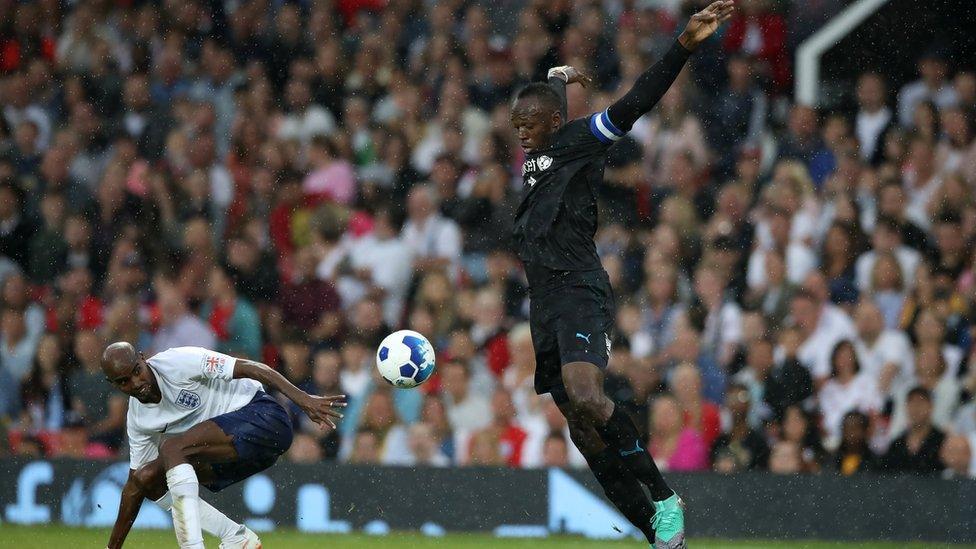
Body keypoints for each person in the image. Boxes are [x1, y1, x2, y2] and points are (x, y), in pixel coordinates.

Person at [508, 3, 734, 546]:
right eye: (517, 124)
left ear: (555, 121)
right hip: (543, 301)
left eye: (529, 124)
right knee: (585, 433)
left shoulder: (580, 139)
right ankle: (659, 535)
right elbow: (549, 101)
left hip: (579, 288)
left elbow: (636, 102)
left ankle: (663, 497)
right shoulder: (539, 148)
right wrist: (555, 78)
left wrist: (683, 44)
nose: (521, 133)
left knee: (588, 394)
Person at [101, 342, 346, 549]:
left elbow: (251, 367)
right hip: (240, 454)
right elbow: (135, 485)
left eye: (137, 371)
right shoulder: (138, 419)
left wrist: (302, 399)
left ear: (143, 359)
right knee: (148, 479)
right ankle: (236, 538)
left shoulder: (178, 362)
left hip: (265, 418)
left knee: (172, 449)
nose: (136, 382)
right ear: (114, 385)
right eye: (124, 381)